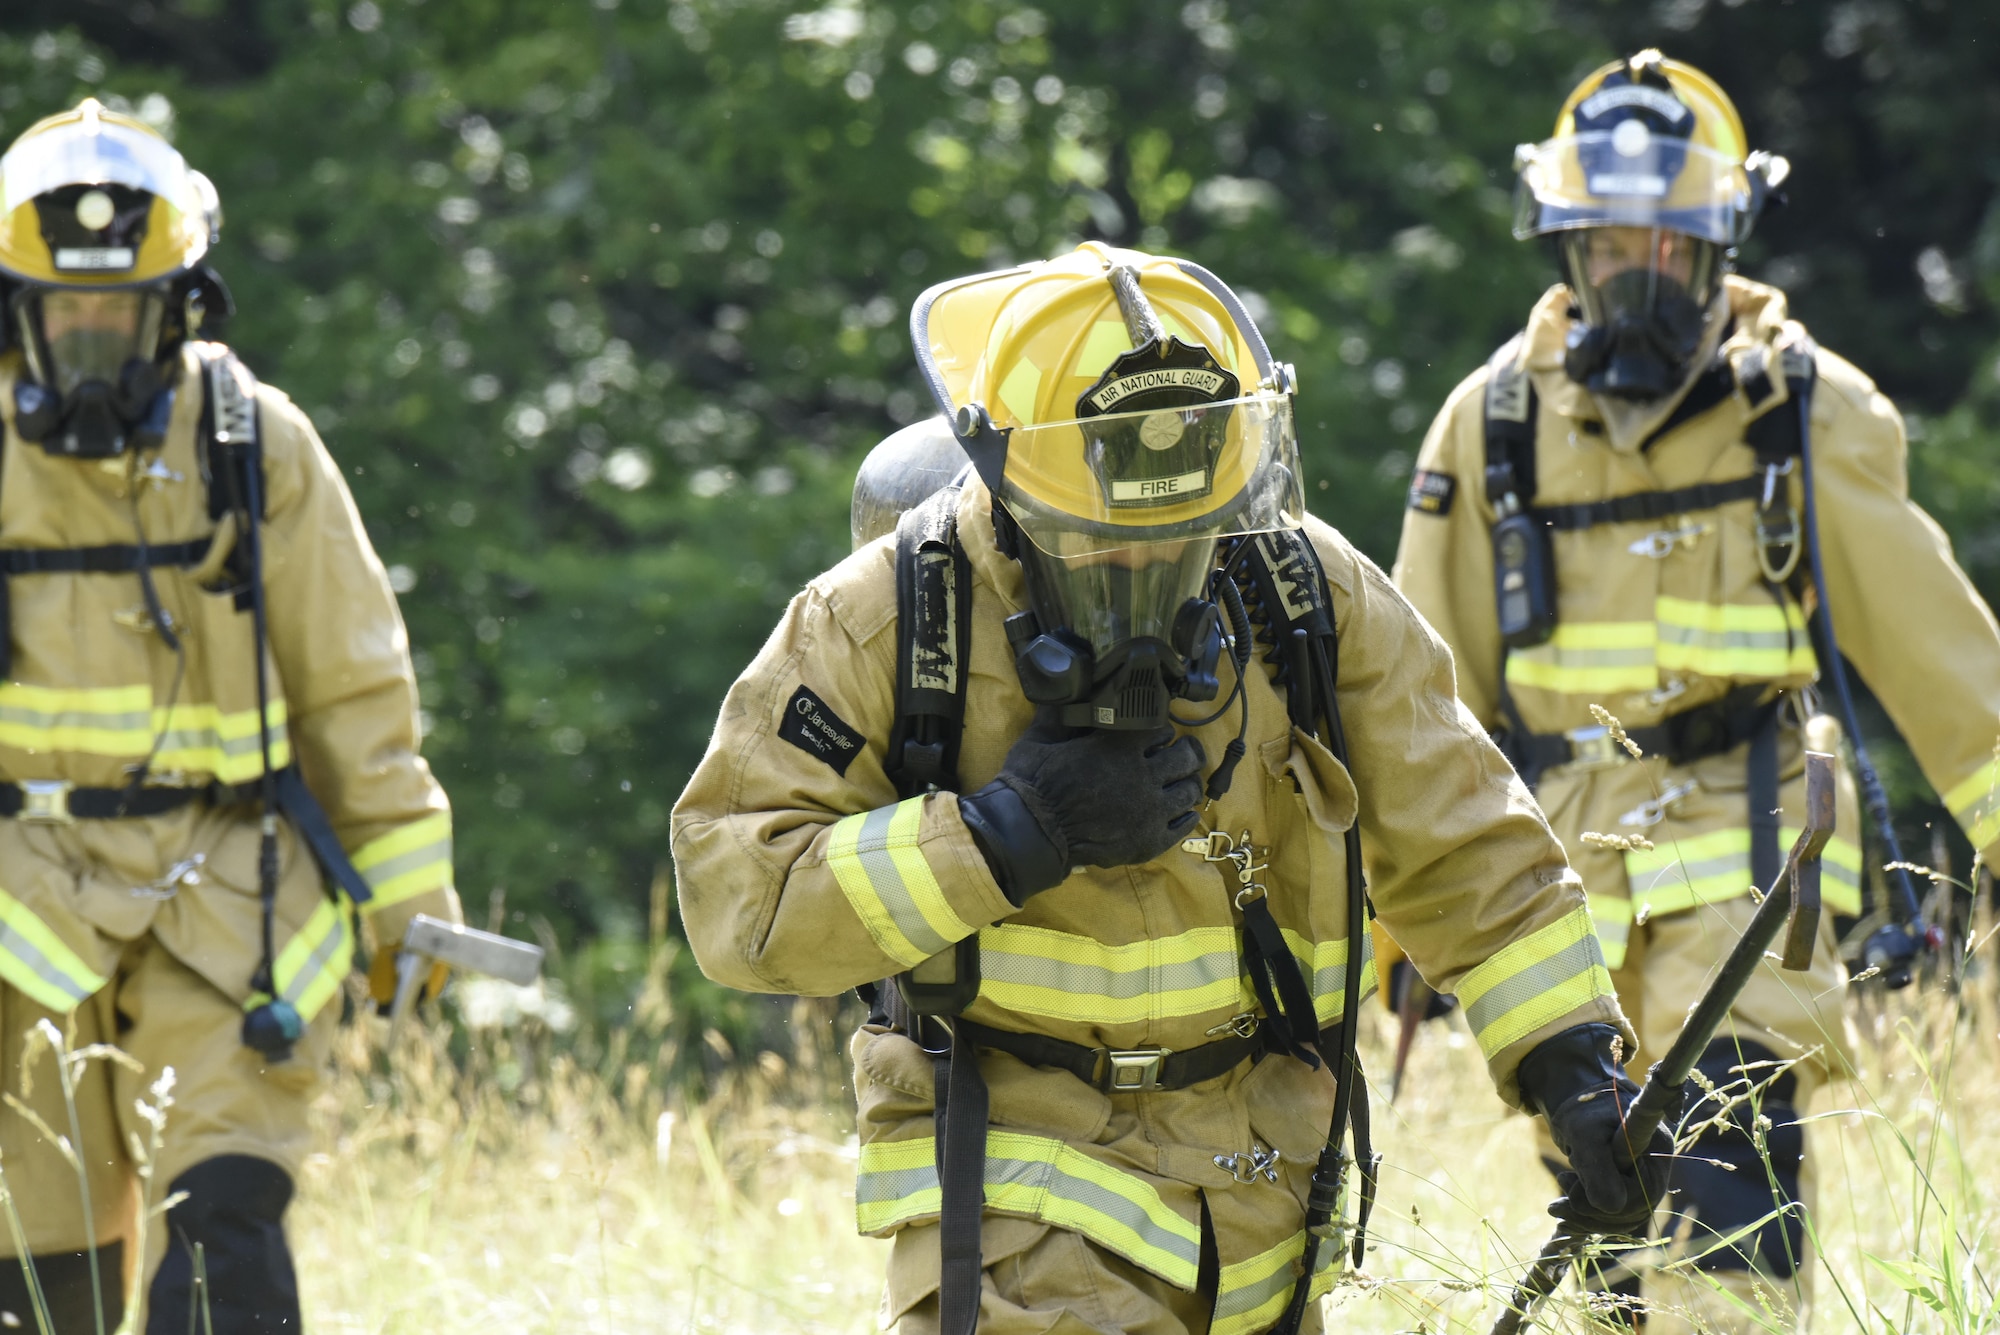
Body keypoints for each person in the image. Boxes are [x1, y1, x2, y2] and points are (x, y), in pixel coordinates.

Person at [674, 240, 1664, 1335]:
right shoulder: (888, 621)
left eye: (1183, 541)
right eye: (1100, 545)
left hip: (1263, 1210)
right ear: (1004, 492)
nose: (1145, 577)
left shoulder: (1305, 595)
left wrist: (1571, 1063)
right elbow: (736, 902)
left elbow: (1469, 842)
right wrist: (1005, 836)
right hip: (1011, 1180)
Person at [1392, 50, 2000, 1333]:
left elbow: (1948, 666)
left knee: (1728, 1158)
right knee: (1600, 1209)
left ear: (1717, 243)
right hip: (1556, 882)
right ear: (1565, 244)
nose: (1634, 276)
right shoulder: (1488, 424)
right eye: (1607, 244)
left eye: (1663, 249)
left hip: (1751, 852)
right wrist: (1382, 935)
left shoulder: (1799, 413)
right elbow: (1404, 699)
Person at [0, 99, 459, 1332]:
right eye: (65, 316)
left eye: (121, 314)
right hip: (17, 915)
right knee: (40, 1287)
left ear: (180, 309)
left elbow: (357, 692)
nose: (91, 344)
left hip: (227, 908)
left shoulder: (256, 444)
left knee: (227, 1236)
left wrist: (407, 904)